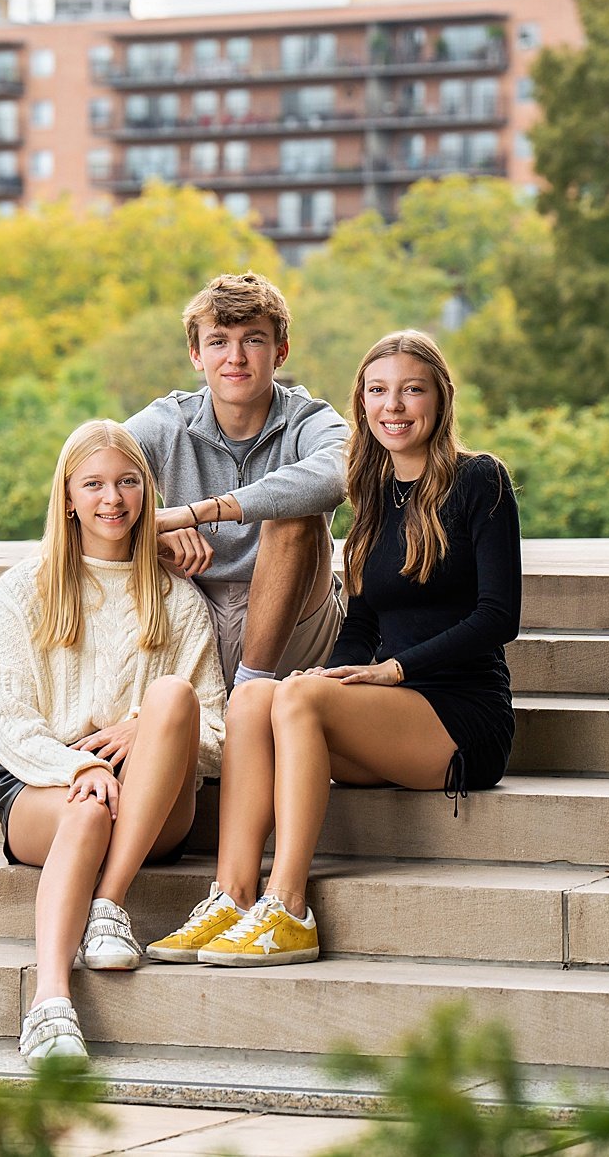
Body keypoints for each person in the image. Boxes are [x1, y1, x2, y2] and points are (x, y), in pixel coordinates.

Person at [149, 330, 521, 967]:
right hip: (389, 713)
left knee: (293, 694)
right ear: (362, 403)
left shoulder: (479, 479)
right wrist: (338, 672)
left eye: (411, 390)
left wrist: (394, 669)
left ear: (441, 399)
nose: (393, 406)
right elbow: (363, 618)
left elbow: (498, 618)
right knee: (254, 699)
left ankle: (289, 908)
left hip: (458, 716)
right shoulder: (374, 498)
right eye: (378, 391)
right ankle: (232, 896)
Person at [0, 420, 225, 1063]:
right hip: (45, 787)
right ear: (67, 497)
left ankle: (109, 903)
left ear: (147, 493)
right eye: (93, 484)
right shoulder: (23, 591)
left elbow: (220, 734)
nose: (111, 499)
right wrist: (80, 765)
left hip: (153, 802)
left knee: (173, 697)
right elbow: (9, 722)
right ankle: (51, 1006)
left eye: (126, 482)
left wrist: (145, 730)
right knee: (87, 809)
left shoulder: (178, 599)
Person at [126, 272, 350, 693]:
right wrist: (156, 531)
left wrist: (200, 511)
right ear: (196, 354)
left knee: (294, 517)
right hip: (193, 610)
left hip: (297, 622)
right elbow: (86, 483)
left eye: (253, 340)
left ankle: (249, 689)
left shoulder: (310, 417)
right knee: (123, 523)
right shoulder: (169, 420)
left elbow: (340, 474)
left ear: (280, 351)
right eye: (218, 342)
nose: (235, 358)